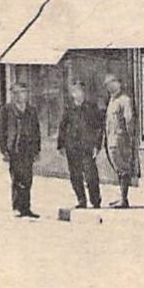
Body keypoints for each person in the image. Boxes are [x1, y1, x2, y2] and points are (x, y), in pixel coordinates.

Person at [0, 84, 42, 218]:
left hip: (28, 149)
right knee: (17, 178)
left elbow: (36, 131)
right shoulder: (7, 110)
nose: (20, 96)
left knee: (27, 178)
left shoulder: (31, 110)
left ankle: (26, 208)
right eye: (17, 93)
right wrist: (4, 150)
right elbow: (1, 131)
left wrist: (37, 150)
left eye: (23, 93)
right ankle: (17, 207)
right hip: (14, 148)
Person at [57, 81, 104, 210]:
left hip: (87, 148)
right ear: (72, 94)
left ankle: (95, 200)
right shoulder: (69, 109)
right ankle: (81, 200)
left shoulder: (91, 108)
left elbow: (99, 128)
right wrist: (60, 145)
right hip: (72, 147)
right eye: (75, 91)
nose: (78, 94)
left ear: (84, 93)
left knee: (91, 175)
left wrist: (97, 145)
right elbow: (62, 127)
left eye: (81, 91)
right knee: (75, 176)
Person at [103, 75, 139, 207]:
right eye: (107, 85)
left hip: (120, 140)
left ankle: (124, 199)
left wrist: (130, 139)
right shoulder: (112, 101)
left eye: (111, 83)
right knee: (119, 169)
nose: (108, 86)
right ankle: (122, 198)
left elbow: (129, 121)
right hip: (111, 139)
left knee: (123, 168)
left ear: (118, 83)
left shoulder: (125, 100)